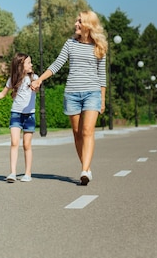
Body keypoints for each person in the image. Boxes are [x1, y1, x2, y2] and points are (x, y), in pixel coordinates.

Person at [33, 10, 108, 186]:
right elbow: (57, 64)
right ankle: (86, 168)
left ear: (88, 25)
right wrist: (40, 80)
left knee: (87, 131)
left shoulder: (99, 47)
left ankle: (84, 170)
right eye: (76, 20)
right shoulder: (70, 44)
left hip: (92, 93)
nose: (76, 24)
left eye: (79, 21)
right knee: (76, 134)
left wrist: (102, 99)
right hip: (72, 93)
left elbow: (102, 76)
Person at [0, 53, 38, 183]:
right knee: (14, 142)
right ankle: (12, 173)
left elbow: (36, 88)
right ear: (20, 66)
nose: (31, 64)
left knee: (27, 144)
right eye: (28, 62)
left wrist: (36, 85)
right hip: (15, 114)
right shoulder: (13, 79)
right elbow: (3, 93)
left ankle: (27, 173)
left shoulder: (34, 78)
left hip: (30, 115)